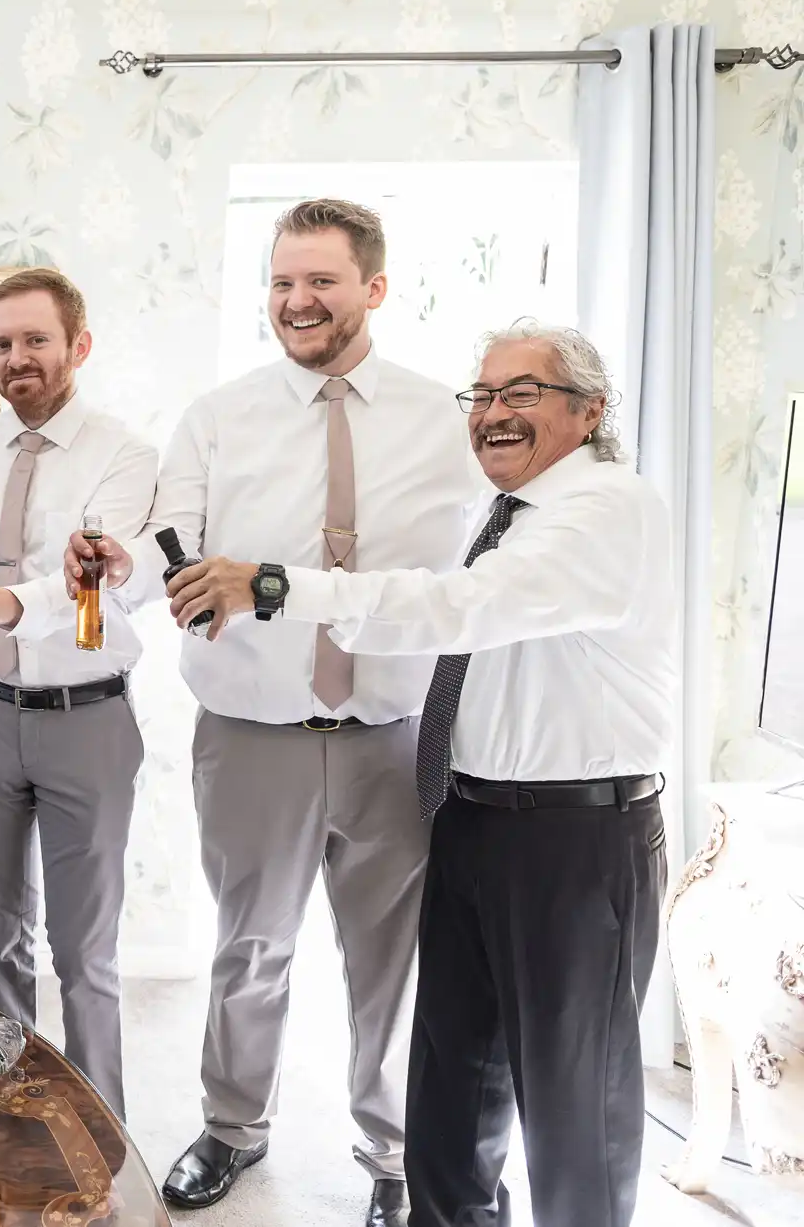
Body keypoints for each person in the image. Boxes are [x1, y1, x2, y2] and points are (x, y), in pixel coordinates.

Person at [152, 322, 673, 1227]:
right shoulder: (506, 514)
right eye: (484, 394)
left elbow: (457, 607)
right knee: (453, 1093)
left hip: (576, 839)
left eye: (523, 392)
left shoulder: (605, 508)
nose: (494, 412)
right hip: (472, 818)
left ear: (590, 411)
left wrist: (274, 585)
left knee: (574, 1104)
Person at [129, 200, 479, 1225]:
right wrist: (180, 577)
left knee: (390, 964)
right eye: (281, 282)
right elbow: (166, 532)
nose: (296, 301)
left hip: (395, 739)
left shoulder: (443, 416)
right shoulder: (217, 414)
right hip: (248, 737)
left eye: (319, 281)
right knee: (248, 948)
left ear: (371, 286)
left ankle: (391, 1155)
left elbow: (491, 551)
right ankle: (231, 1126)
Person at [0, 267, 157, 1119]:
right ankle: (8, 1104)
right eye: (1, 343)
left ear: (78, 345)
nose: (17, 358)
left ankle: (102, 1126)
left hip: (87, 717)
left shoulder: (125, 454)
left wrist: (3, 604)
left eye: (36, 339)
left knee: (86, 949)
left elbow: (99, 577)